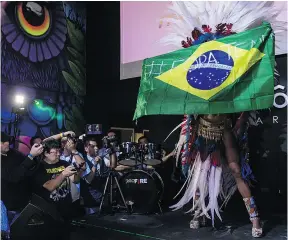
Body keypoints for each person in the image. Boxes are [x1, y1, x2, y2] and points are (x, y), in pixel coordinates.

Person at [156, 2, 283, 237]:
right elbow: (189, 106)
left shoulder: (229, 72)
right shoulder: (196, 75)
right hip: (203, 131)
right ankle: (199, 213)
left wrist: (240, 121)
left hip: (224, 131)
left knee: (236, 170)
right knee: (200, 175)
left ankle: (255, 221)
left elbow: (244, 101)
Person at [33, 140, 81, 220]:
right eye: (55, 152)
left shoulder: (64, 163)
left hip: (66, 207)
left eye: (59, 151)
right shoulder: (39, 167)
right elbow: (50, 186)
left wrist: (78, 171)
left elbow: (76, 180)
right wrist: (63, 174)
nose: (58, 154)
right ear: (46, 153)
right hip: (48, 209)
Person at [1, 132, 43, 213]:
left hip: (26, 200)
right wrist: (31, 156)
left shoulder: (13, 152)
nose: (8, 143)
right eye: (4, 142)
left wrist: (35, 156)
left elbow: (29, 165)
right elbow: (13, 177)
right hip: (10, 207)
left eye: (7, 141)